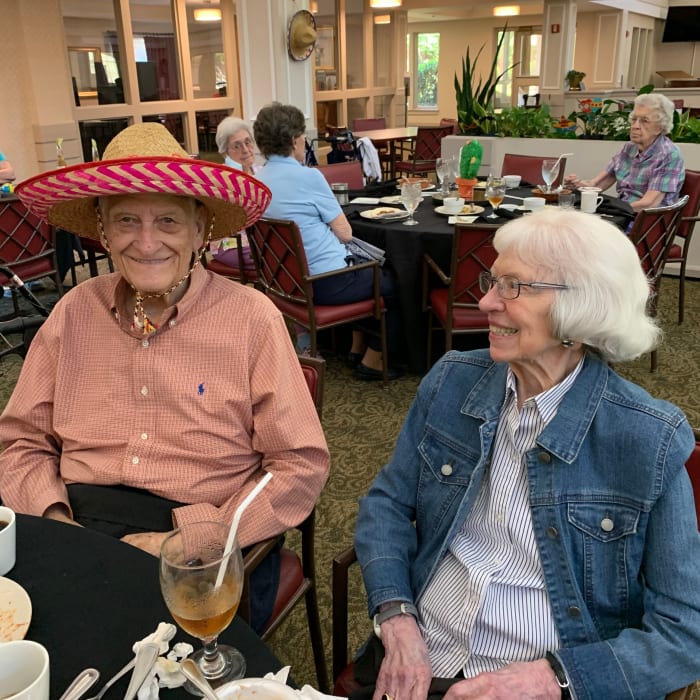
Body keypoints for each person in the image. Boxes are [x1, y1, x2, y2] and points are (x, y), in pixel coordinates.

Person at [353, 207, 700, 699]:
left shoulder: (647, 437)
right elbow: (387, 504)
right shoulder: (453, 380)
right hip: (422, 656)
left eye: (515, 286)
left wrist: (555, 679)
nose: (487, 301)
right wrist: (396, 615)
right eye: (493, 281)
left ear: (582, 311)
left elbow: (684, 631)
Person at [0, 122, 330, 633]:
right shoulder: (73, 312)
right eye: (127, 219)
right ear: (103, 230)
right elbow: (19, 441)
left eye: (169, 222)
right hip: (73, 517)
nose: (146, 242)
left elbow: (298, 464)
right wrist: (58, 524)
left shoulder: (251, 319)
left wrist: (191, 539)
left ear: (201, 231)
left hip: (202, 532)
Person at [253, 101, 401, 380]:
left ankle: (356, 346)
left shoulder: (257, 182)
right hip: (326, 284)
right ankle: (373, 360)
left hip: (285, 283)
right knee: (392, 281)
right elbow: (345, 233)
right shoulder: (309, 176)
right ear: (295, 140)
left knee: (366, 273)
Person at [565, 92, 685, 210]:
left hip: (648, 222)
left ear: (659, 127)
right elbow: (596, 185)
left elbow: (649, 204)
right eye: (634, 119)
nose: (635, 126)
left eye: (644, 121)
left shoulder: (668, 154)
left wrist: (611, 208)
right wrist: (577, 185)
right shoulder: (629, 148)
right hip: (624, 212)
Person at [211, 115, 260, 274]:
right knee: (273, 258)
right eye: (237, 146)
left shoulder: (260, 172)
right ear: (225, 152)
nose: (245, 150)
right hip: (232, 244)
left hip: (259, 240)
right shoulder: (223, 178)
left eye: (248, 142)